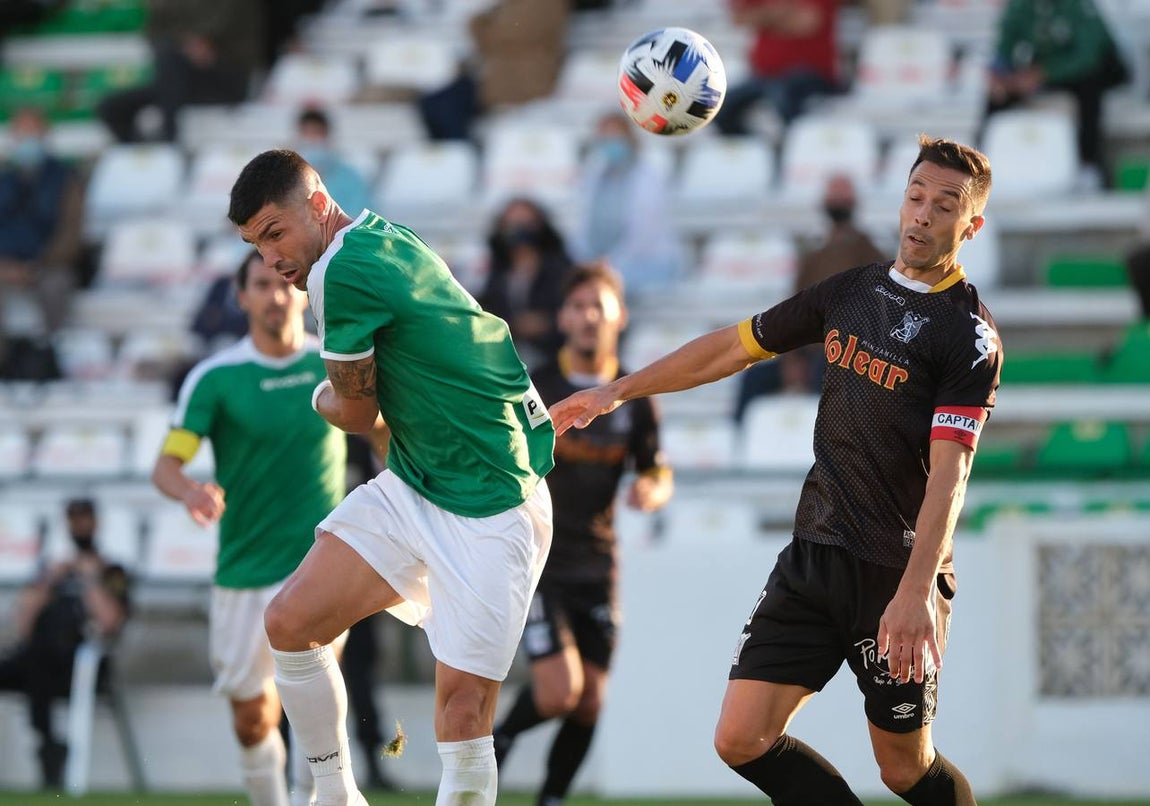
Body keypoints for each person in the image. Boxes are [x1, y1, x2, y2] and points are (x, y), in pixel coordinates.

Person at [550, 135, 1003, 805]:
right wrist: (619, 390)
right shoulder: (851, 291)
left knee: (905, 770)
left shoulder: (969, 338)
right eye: (914, 198)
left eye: (943, 206)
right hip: (814, 553)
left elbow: (950, 476)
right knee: (740, 738)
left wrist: (914, 595)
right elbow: (728, 351)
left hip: (894, 572)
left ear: (971, 224)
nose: (922, 216)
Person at [227, 148, 555, 806]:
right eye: (255, 247)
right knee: (290, 623)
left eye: (274, 234)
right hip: (418, 480)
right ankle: (335, 793)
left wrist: (318, 398)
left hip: (493, 501)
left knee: (461, 720)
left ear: (317, 205)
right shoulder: (379, 234)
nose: (271, 260)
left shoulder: (340, 271)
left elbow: (353, 410)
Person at [152, 249, 351, 806]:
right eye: (261, 285)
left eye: (284, 283)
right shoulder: (215, 379)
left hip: (321, 567)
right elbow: (167, 465)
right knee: (251, 716)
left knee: (315, 708)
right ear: (241, 298)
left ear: (305, 293)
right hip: (243, 569)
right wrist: (191, 489)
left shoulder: (336, 364)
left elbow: (381, 430)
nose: (276, 295)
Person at [493, 261, 673, 805]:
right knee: (559, 691)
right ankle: (495, 739)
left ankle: (550, 799)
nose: (589, 316)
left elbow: (656, 469)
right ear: (563, 317)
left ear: (619, 316)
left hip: (599, 564)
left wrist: (652, 490)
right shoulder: (538, 386)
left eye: (600, 305)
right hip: (541, 560)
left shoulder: (632, 394)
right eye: (578, 305)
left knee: (590, 701)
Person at [734, 172, 887, 420]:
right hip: (807, 351)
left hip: (845, 354)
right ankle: (736, 443)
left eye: (843, 194)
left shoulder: (870, 252)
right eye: (833, 194)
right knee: (753, 379)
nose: (838, 201)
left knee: (823, 376)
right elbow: (793, 309)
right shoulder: (812, 255)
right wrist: (790, 361)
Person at [0, 498, 130, 788]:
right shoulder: (54, 570)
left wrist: (90, 580)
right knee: (34, 663)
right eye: (74, 520)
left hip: (83, 665)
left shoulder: (112, 571)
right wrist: (48, 582)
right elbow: (24, 627)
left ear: (96, 523)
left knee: (37, 666)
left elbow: (110, 623)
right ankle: (50, 746)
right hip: (40, 659)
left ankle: (49, 748)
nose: (79, 526)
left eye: (84, 519)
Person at [984, 0, 1128, 186]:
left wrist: (1044, 73)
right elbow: (1005, 46)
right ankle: (978, 162)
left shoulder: (1078, 6)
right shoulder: (1019, 7)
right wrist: (1000, 76)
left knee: (1090, 91)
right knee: (996, 96)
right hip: (1046, 67)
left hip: (1090, 70)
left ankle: (1089, 164)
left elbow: (1089, 55)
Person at [96, 0, 263, 143]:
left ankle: (168, 138)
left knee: (170, 62)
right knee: (111, 108)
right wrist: (186, 45)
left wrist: (199, 45)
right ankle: (152, 156)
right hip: (179, 80)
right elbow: (155, 33)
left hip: (225, 76)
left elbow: (213, 36)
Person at [0, 106, 84, 380]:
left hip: (47, 264)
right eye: (21, 132)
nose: (27, 138)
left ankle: (51, 357)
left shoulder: (65, 178)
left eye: (33, 131)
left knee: (55, 285)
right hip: (4, 263)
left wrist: (36, 265)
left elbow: (71, 232)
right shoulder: (4, 178)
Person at [571, 111, 685, 297]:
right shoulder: (594, 174)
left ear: (629, 139)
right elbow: (583, 224)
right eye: (604, 137)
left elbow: (644, 232)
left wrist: (610, 263)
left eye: (615, 137)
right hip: (602, 262)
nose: (609, 143)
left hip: (646, 263)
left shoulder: (649, 175)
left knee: (602, 289)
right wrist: (589, 259)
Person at [714, 0, 840, 137]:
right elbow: (739, 18)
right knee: (720, 107)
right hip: (765, 76)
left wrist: (763, 17)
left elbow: (807, 23)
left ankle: (791, 148)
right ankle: (760, 150)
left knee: (781, 99)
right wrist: (785, 13)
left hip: (812, 75)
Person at [478, 197, 573, 370]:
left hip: (554, 361)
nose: (519, 230)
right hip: (508, 359)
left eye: (526, 223)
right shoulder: (498, 272)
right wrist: (514, 324)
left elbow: (571, 311)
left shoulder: (560, 269)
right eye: (512, 224)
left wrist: (547, 323)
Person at [295, 107, 372, 219]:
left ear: (327, 136)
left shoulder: (350, 177)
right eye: (307, 133)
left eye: (316, 133)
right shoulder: (288, 179)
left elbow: (360, 217)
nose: (311, 140)